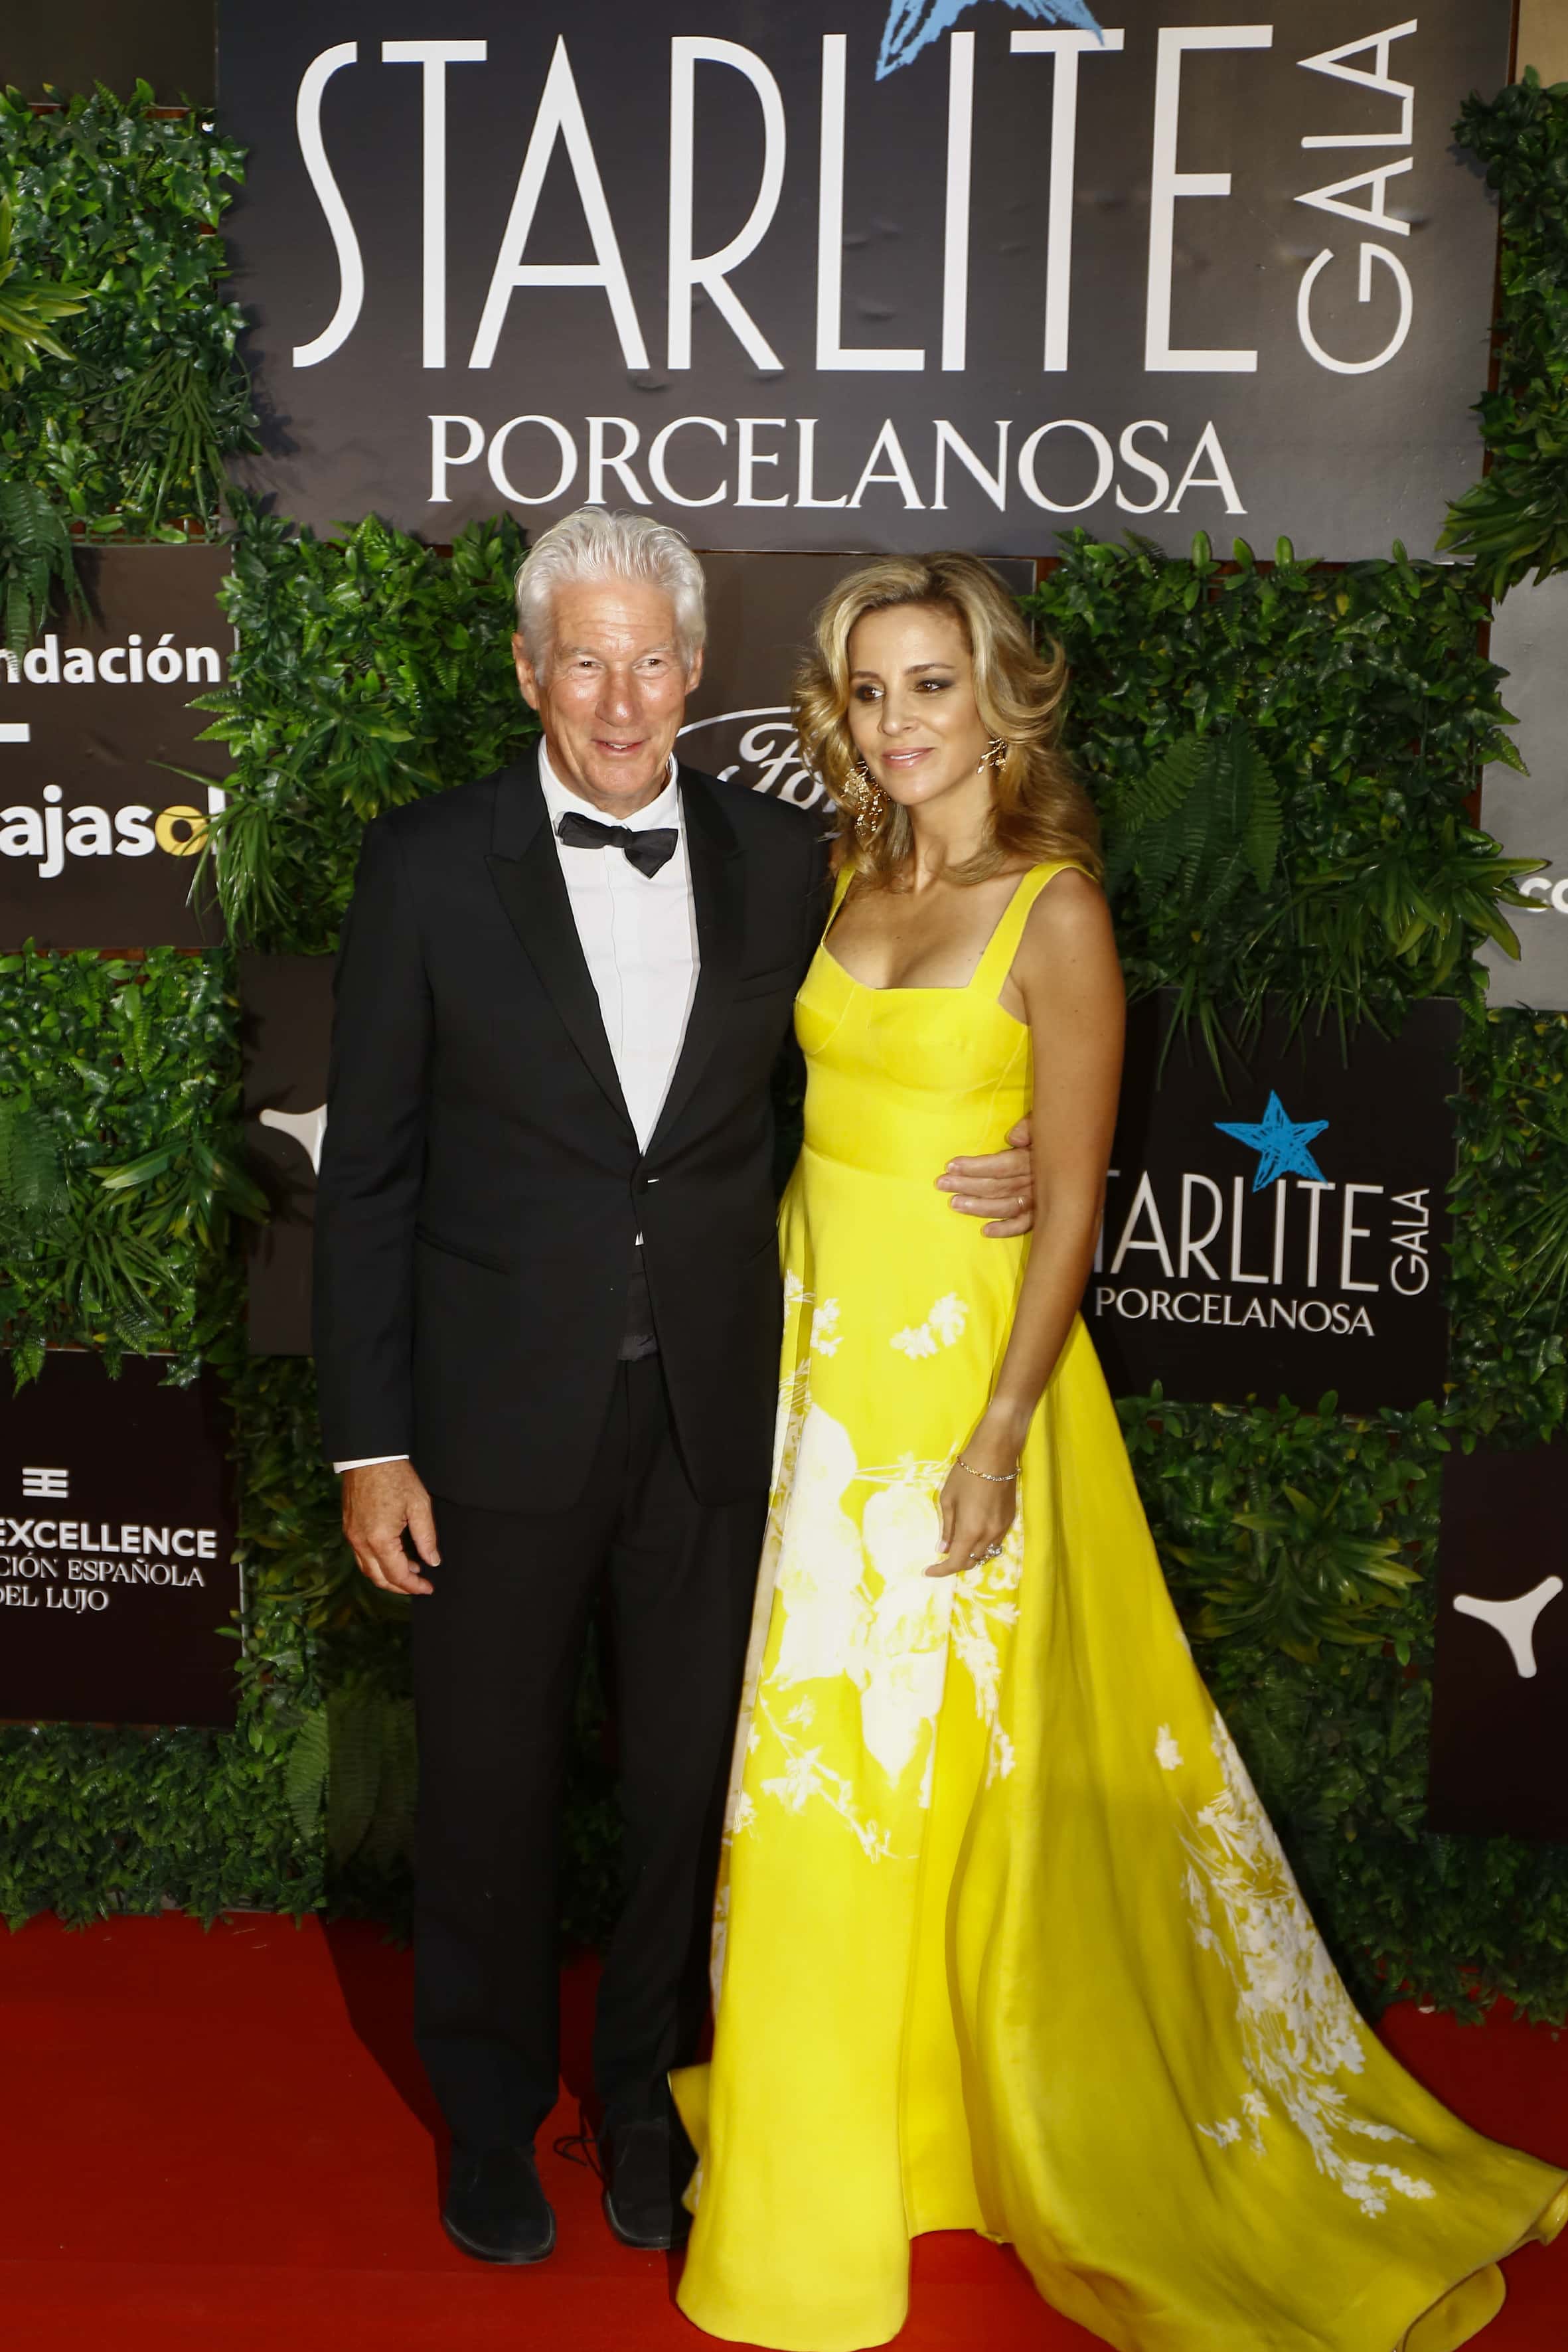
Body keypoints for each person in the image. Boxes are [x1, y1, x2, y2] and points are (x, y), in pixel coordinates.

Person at [672, 552, 1567, 2352]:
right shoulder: (847, 876)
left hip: (959, 1392)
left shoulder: (1052, 909)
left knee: (945, 1763)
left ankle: (1020, 2130)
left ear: (1002, 697)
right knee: (821, 1766)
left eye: (932, 683)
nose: (901, 719)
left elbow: (1070, 1209)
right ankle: (850, 2136)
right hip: (811, 1362)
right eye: (871, 688)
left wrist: (999, 1430)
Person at [310, 510, 1038, 2267]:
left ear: (696, 671)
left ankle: (643, 2101)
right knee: (481, 1791)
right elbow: (371, 1180)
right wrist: (369, 1442)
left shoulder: (787, 861)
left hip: (722, 1411)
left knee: (679, 1793)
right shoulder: (425, 866)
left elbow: (888, 1048)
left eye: (651, 658)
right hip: (490, 1420)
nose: (620, 696)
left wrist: (1006, 1146)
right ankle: (486, 2120)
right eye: (584, 656)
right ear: (526, 670)